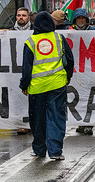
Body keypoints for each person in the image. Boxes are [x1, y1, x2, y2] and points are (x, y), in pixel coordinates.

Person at [20, 11, 74, 160]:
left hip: (37, 87)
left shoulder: (30, 42)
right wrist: (68, 77)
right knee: (56, 118)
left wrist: (24, 85)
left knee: (37, 120)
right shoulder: (59, 38)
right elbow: (69, 59)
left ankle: (39, 150)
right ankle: (55, 151)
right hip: (57, 85)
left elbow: (26, 68)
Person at [70, 8, 95, 135]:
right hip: (76, 71)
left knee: (89, 97)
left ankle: (89, 123)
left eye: (83, 18)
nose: (81, 20)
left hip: (90, 70)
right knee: (78, 97)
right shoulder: (69, 32)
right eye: (78, 18)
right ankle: (81, 122)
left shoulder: (93, 31)